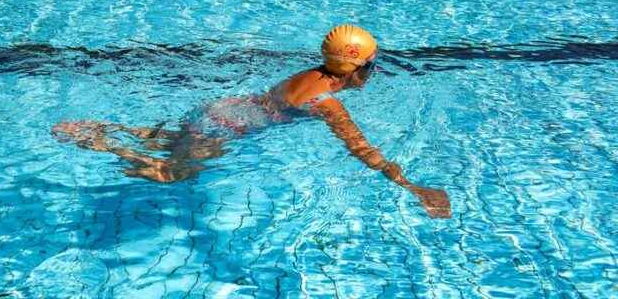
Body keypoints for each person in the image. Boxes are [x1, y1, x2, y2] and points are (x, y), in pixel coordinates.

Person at [52, 25, 451, 218]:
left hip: (222, 110)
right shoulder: (327, 103)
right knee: (174, 173)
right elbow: (363, 151)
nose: (374, 72)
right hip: (225, 127)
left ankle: (111, 130)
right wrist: (412, 187)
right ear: (354, 69)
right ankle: (101, 140)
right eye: (371, 66)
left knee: (179, 142)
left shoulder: (312, 75)